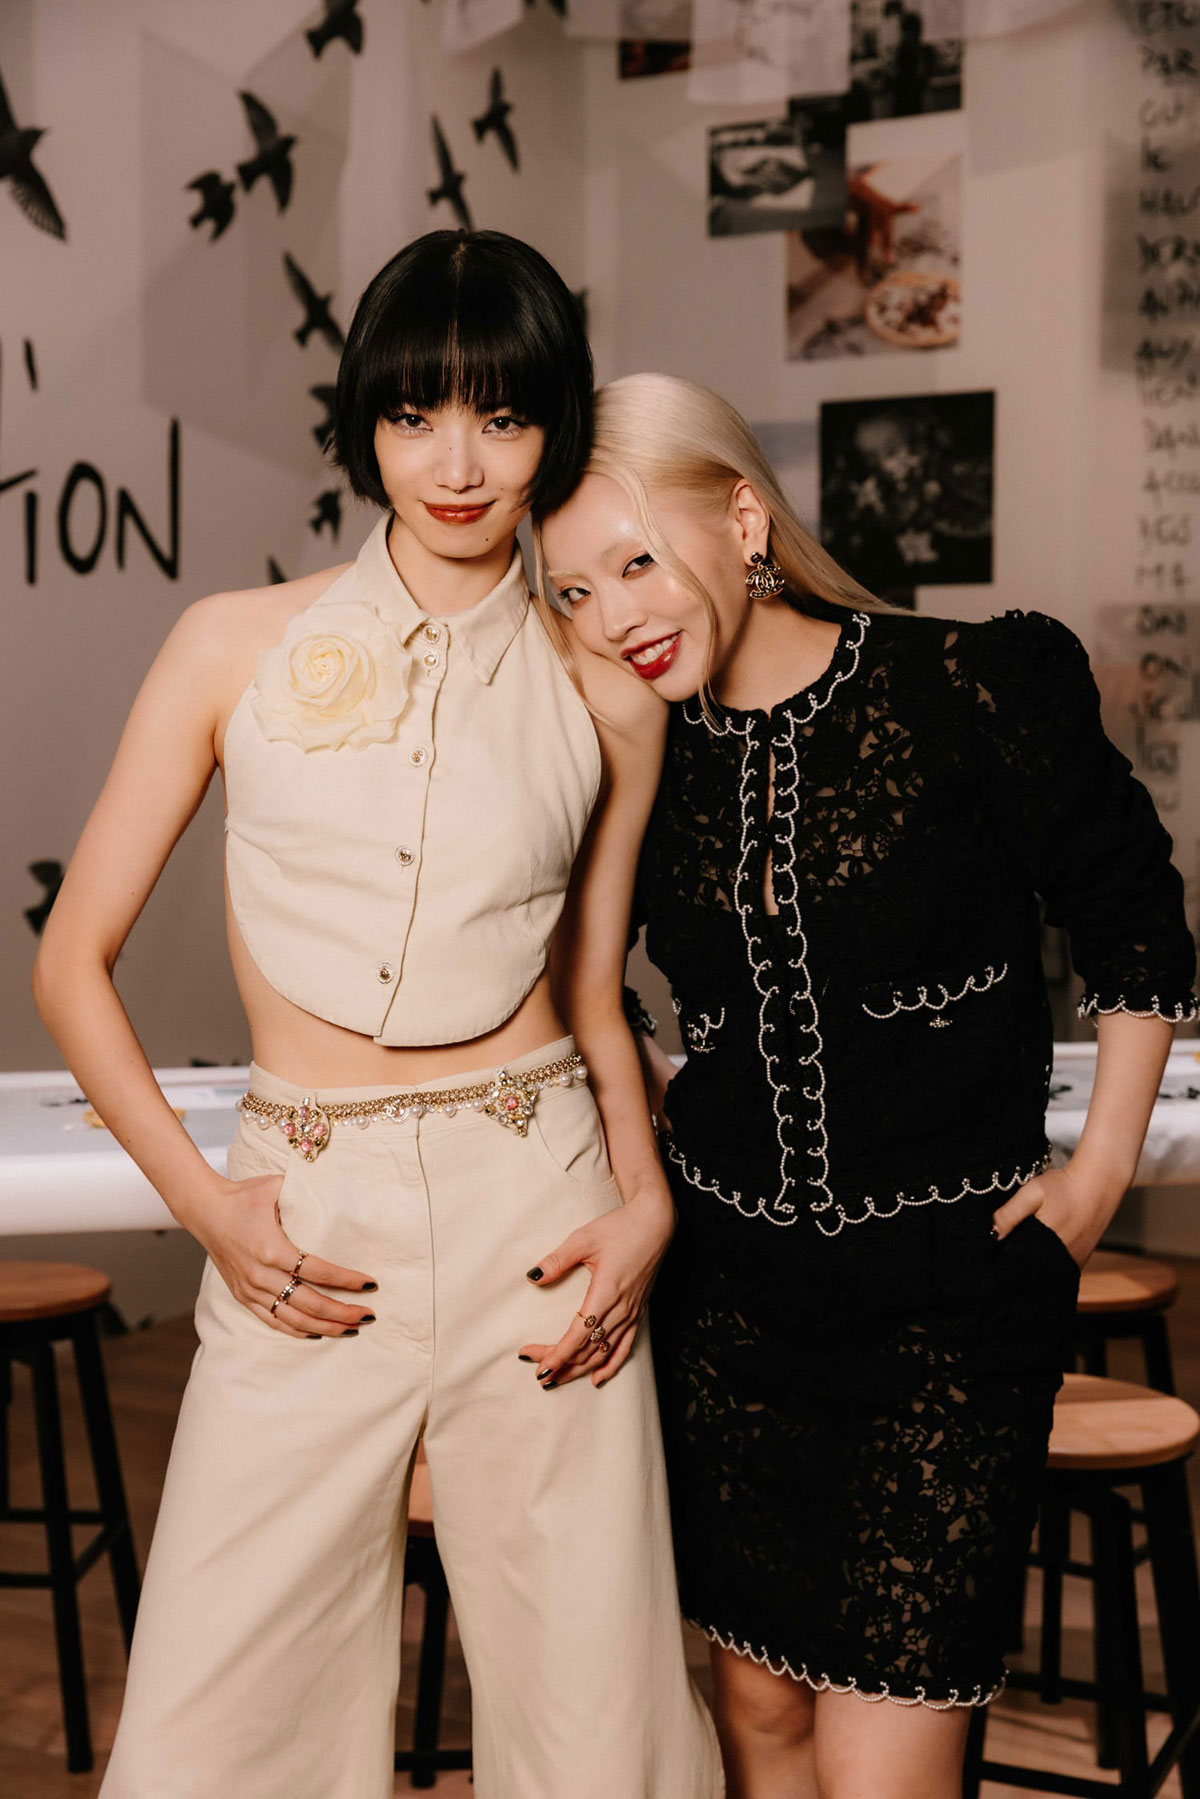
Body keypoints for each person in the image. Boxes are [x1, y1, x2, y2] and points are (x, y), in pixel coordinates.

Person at [33, 240, 722, 1799]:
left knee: (595, 1714)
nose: (458, 466)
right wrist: (206, 1207)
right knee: (213, 1726)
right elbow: (72, 961)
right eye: (416, 417)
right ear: (367, 423)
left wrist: (646, 1204)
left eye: (503, 418)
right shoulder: (230, 644)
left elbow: (592, 989)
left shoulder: (606, 686)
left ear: (554, 427)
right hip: (302, 1222)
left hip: (540, 1209)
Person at [535, 371, 1197, 1799]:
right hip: (726, 1306)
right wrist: (663, 1100)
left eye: (635, 563)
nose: (614, 617)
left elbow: (1138, 921)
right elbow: (574, 972)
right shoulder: (634, 749)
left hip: (949, 1315)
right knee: (761, 1718)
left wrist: (1100, 1172)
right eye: (573, 593)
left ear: (745, 519)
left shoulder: (972, 685)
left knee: (885, 1757)